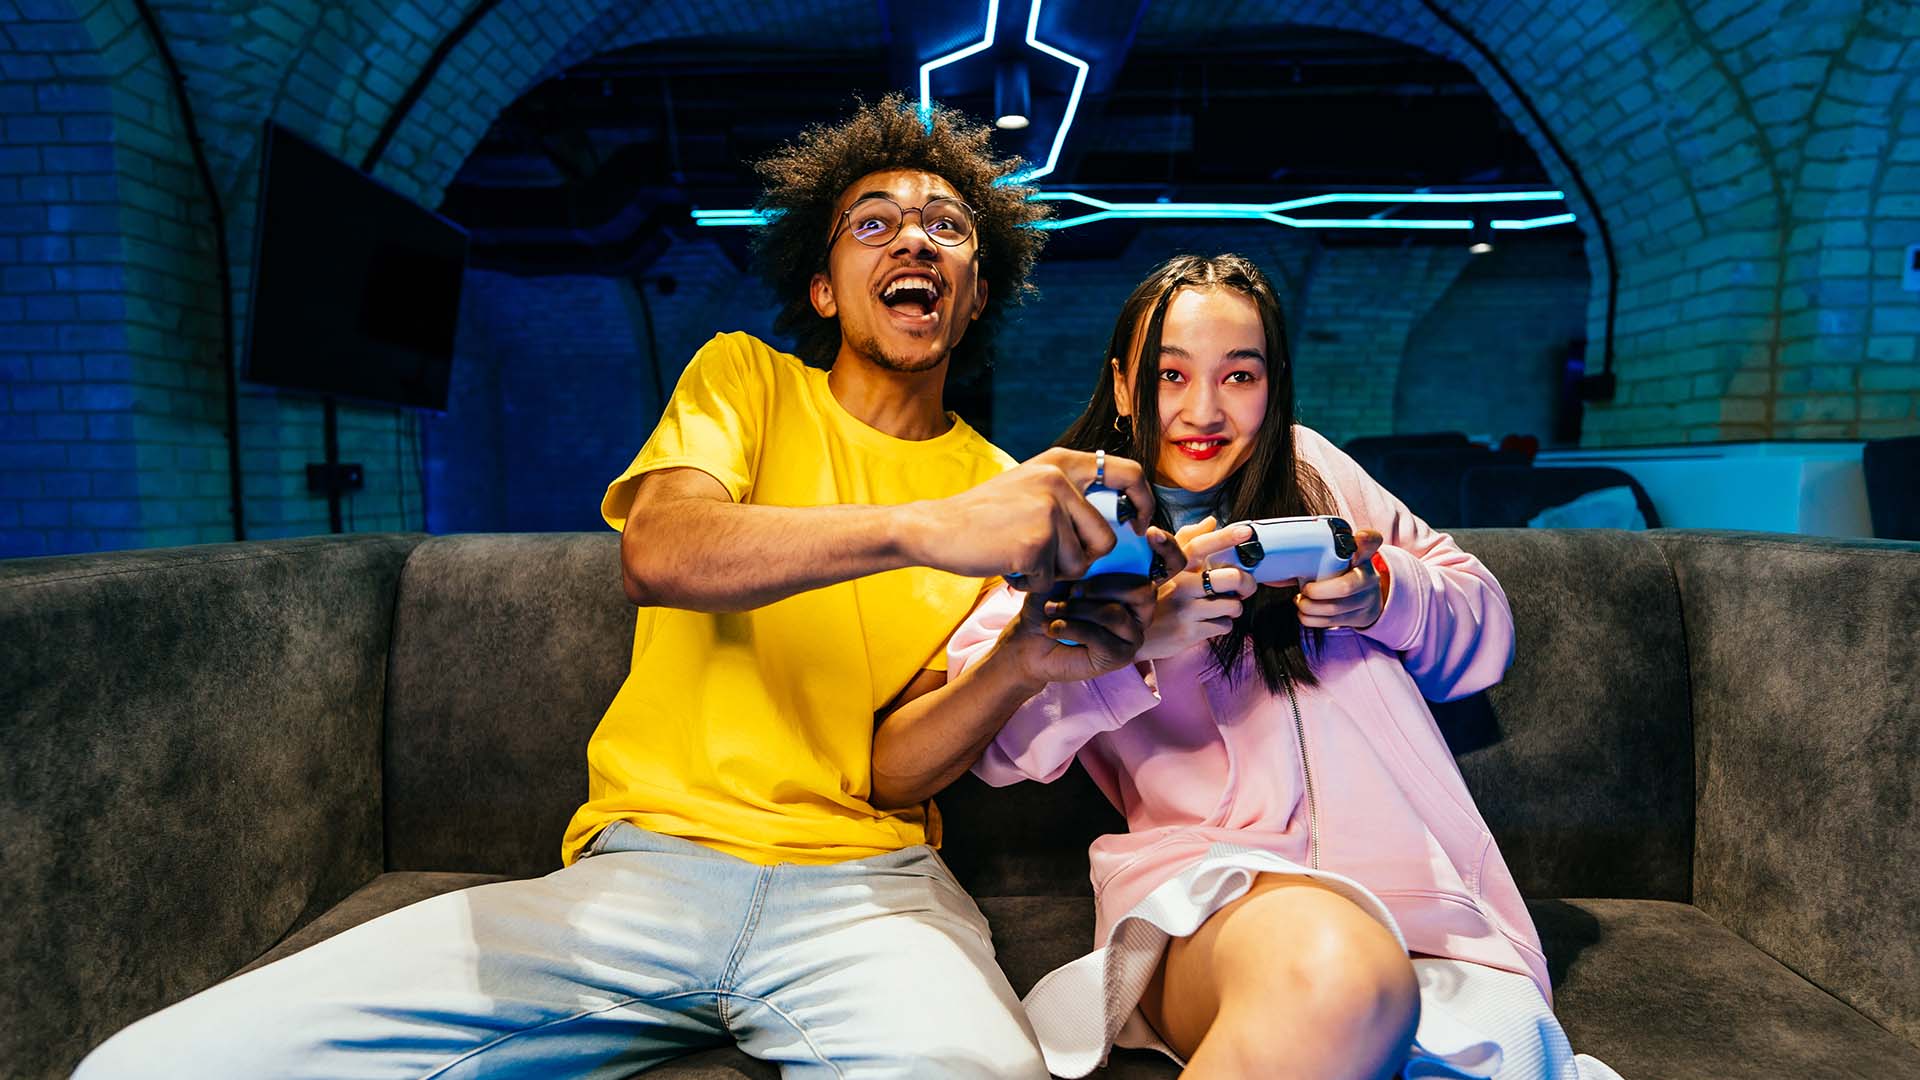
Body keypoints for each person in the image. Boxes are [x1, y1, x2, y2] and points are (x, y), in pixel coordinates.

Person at [73, 94, 1181, 1080]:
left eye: (948, 227)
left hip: (871, 887)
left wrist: (1022, 659)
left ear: (976, 292)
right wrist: (924, 527)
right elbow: (662, 551)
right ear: (823, 286)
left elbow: (894, 765)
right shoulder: (747, 379)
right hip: (646, 869)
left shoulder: (1000, 490)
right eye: (873, 222)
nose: (915, 239)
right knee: (151, 1065)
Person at [943, 254, 1624, 1080]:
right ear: (1123, 385)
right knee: (1334, 976)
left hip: (1434, 912)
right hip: (1218, 896)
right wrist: (1135, 642)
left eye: (1239, 375)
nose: (1203, 411)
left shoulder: (1312, 472)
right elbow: (994, 737)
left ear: (1274, 386)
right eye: (1168, 375)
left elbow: (1485, 629)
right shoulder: (1078, 517)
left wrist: (1382, 594)